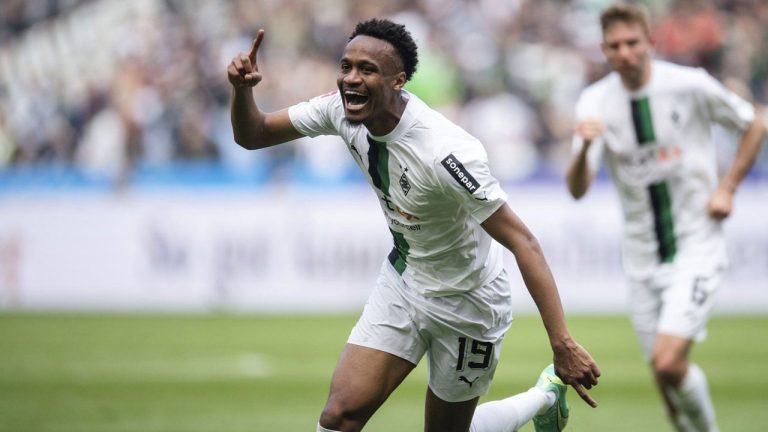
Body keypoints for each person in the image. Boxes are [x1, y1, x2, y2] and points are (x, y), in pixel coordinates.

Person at [229, 18, 600, 432]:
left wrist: (562, 343)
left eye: (367, 70)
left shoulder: (444, 151)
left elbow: (522, 241)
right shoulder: (338, 108)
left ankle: (544, 396)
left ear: (399, 80)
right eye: (346, 66)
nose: (351, 79)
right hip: (405, 283)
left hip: (469, 303)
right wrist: (242, 90)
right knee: (339, 417)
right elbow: (253, 134)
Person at [566, 4, 765, 432]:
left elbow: (754, 124)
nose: (625, 53)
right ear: (604, 50)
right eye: (615, 46)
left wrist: (727, 188)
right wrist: (583, 149)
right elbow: (578, 189)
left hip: (697, 243)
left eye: (633, 43)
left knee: (668, 361)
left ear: (651, 42)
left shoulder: (689, 85)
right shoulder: (595, 102)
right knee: (664, 379)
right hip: (641, 258)